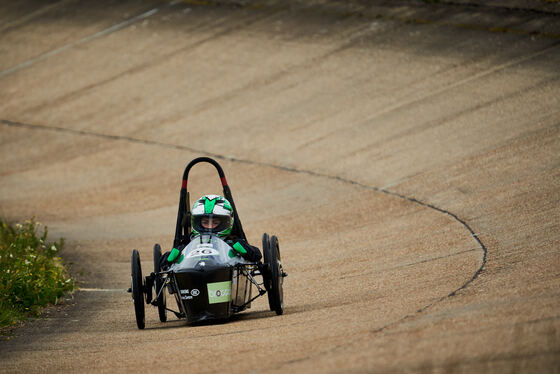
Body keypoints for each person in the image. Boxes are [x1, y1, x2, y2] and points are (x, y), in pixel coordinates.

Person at [162, 194, 261, 268]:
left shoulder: (233, 242)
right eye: (205, 222)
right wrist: (171, 257)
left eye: (215, 223)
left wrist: (244, 250)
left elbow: (257, 255)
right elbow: (163, 263)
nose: (209, 227)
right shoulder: (187, 243)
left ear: (225, 223)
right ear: (197, 222)